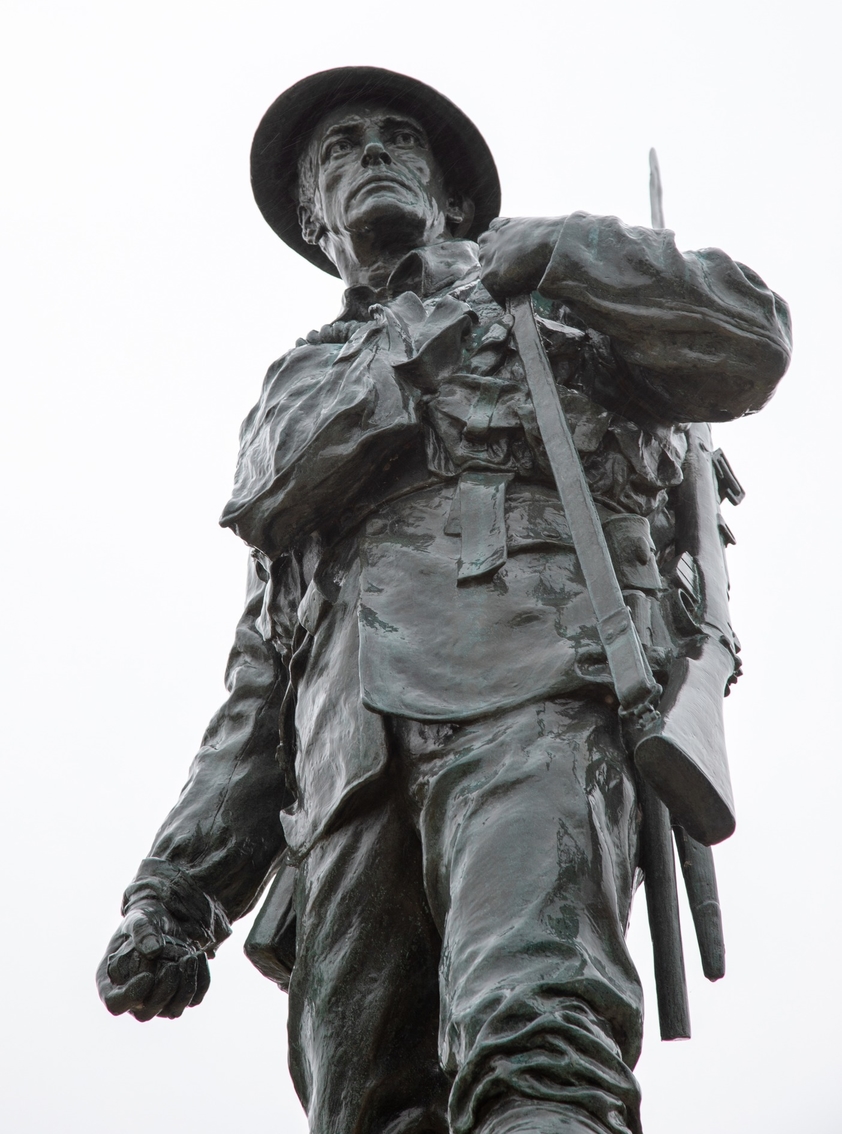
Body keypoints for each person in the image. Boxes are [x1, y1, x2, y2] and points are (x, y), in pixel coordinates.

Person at [97, 67, 791, 1134]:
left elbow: (748, 338)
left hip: (532, 685)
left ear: (455, 199)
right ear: (311, 221)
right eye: (337, 151)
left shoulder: (546, 294)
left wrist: (566, 252)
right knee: (362, 1105)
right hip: (342, 773)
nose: (367, 154)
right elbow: (266, 662)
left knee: (536, 1029)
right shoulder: (296, 394)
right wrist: (174, 892)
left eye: (394, 140)